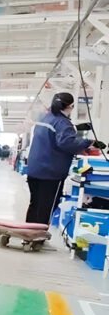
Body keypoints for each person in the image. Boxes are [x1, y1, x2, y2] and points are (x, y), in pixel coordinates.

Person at [25, 92, 106, 224]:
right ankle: (37, 238)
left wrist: (76, 128)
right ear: (70, 106)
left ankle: (27, 235)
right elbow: (66, 143)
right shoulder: (62, 123)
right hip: (50, 174)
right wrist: (89, 142)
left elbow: (53, 137)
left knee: (35, 204)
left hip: (34, 170)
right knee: (47, 207)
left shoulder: (44, 119)